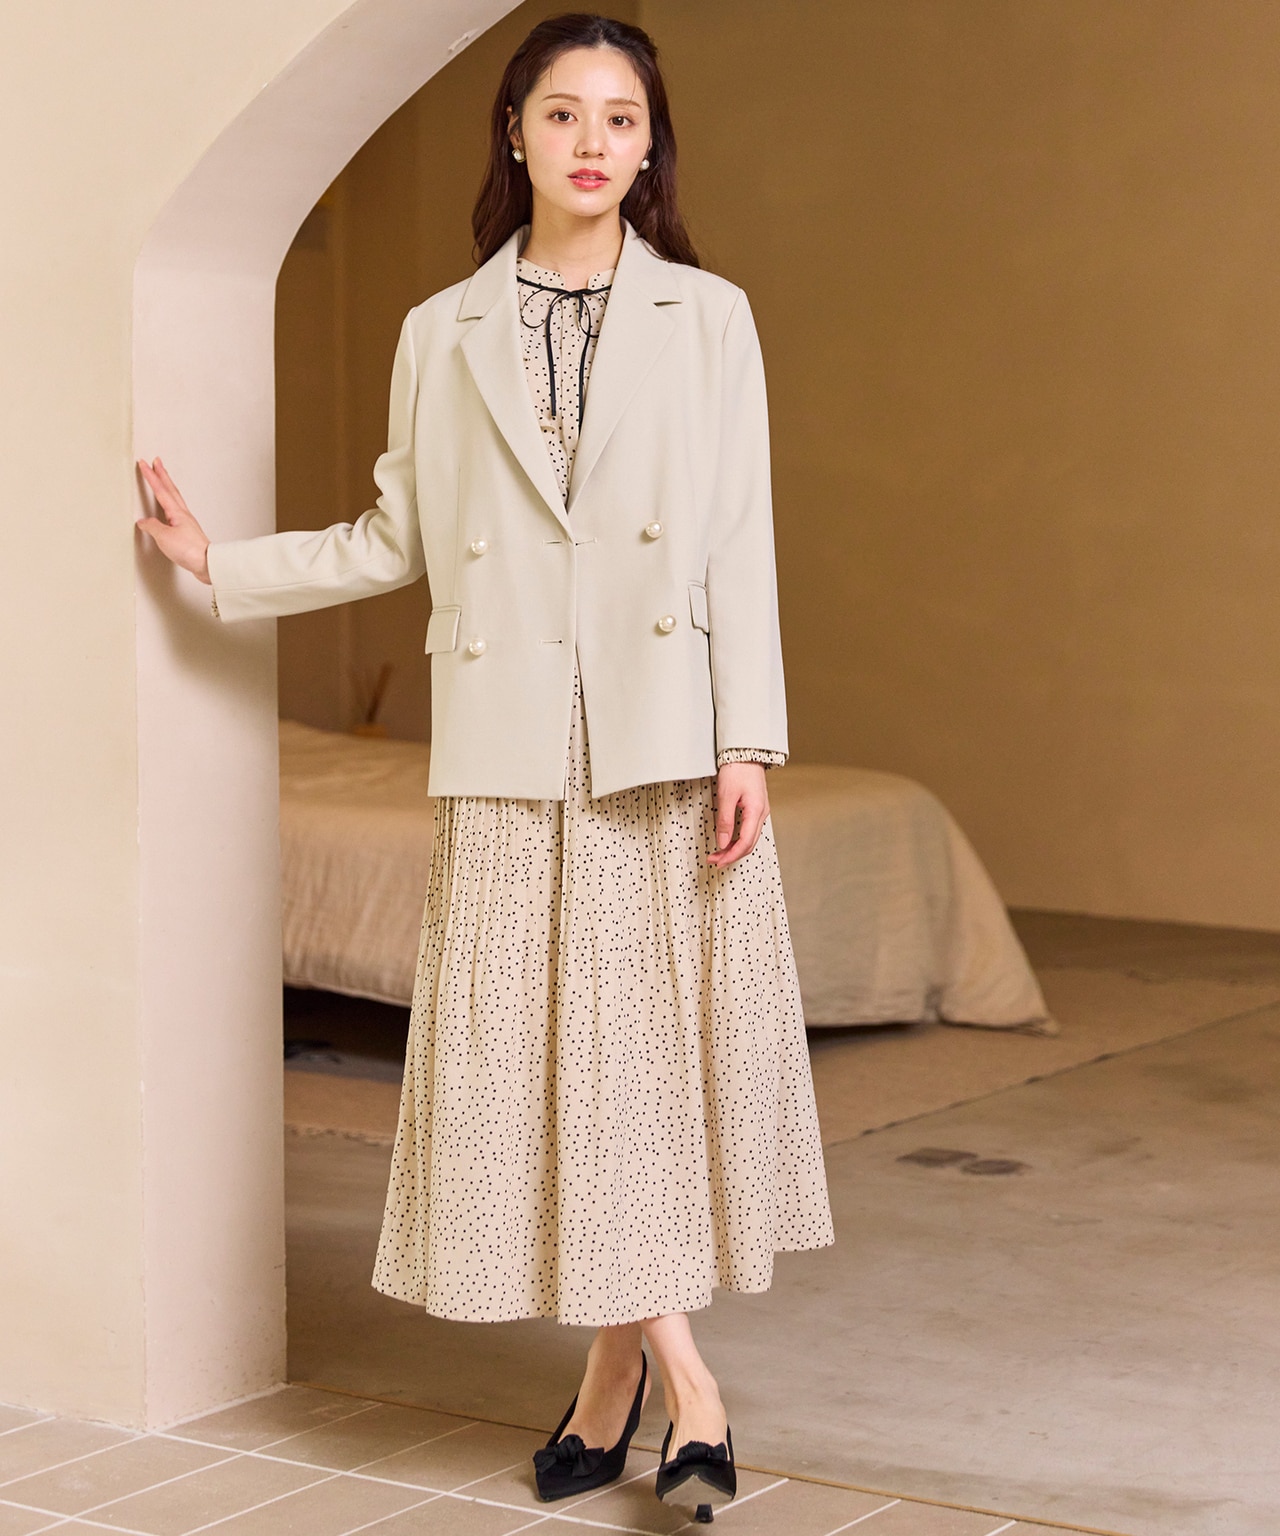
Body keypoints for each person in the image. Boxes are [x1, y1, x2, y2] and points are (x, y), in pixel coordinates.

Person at [137, 12, 833, 1521]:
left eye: (622, 120)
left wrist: (747, 738)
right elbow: (395, 536)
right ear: (514, 132)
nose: (593, 141)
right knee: (564, 1069)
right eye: (563, 112)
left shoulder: (709, 319)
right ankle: (679, 1383)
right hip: (508, 747)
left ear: (649, 151)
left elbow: (739, 541)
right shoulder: (440, 331)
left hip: (655, 739)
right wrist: (220, 565)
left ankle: (630, 1388)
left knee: (627, 1071)